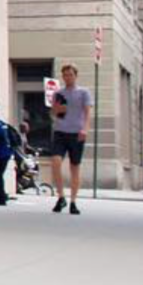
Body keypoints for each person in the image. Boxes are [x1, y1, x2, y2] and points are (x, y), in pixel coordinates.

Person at [47, 64, 92, 215]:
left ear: (75, 75)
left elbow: (87, 113)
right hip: (60, 132)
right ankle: (61, 196)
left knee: (75, 167)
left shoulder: (83, 93)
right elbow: (53, 113)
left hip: (76, 133)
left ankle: (73, 201)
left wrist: (85, 129)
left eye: (70, 74)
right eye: (65, 75)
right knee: (55, 162)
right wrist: (56, 110)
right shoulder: (58, 93)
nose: (68, 77)